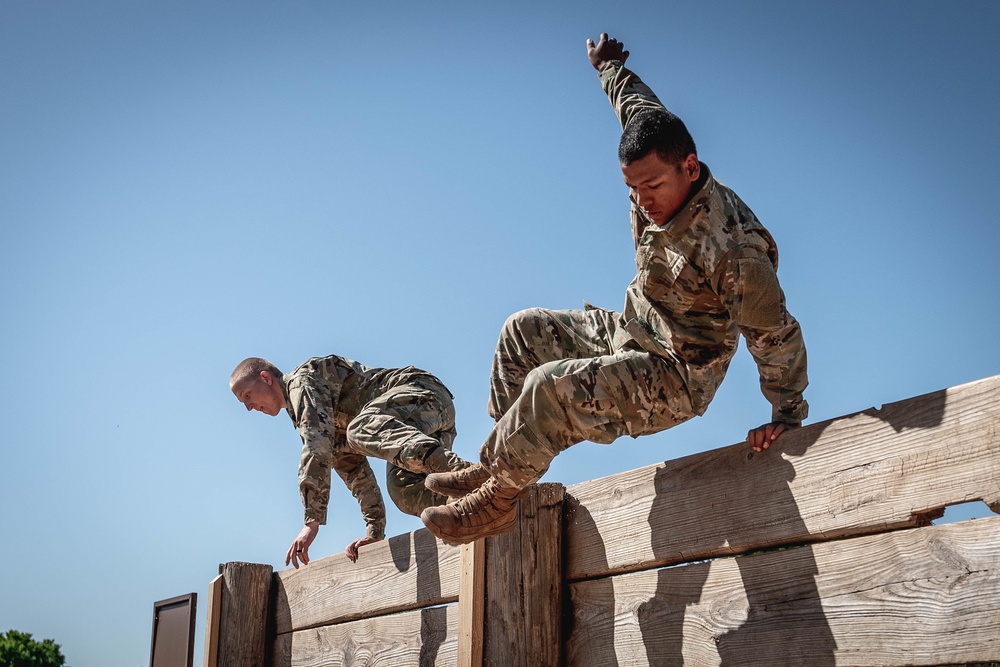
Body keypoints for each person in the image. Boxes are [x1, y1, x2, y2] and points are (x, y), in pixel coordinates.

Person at [420, 34, 809, 545]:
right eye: (633, 190)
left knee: (551, 387)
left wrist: (786, 416)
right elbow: (635, 106)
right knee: (522, 332)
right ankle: (503, 465)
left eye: (653, 188)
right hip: (635, 330)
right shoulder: (658, 147)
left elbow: (774, 335)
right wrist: (609, 66)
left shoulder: (732, 250)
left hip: (677, 375)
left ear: (689, 168)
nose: (644, 200)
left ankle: (496, 501)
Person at [230, 355, 471, 566]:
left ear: (265, 378)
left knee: (359, 429)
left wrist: (311, 521)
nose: (250, 407)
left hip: (422, 394)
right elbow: (354, 472)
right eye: (244, 403)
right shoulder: (323, 415)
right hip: (421, 421)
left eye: (248, 395)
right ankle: (471, 504)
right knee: (404, 490)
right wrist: (375, 532)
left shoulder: (303, 383)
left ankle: (462, 473)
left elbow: (316, 447)